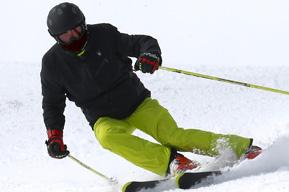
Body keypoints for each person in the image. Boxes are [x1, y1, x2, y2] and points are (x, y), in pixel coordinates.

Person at [42, 2, 261, 177]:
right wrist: (55, 137)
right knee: (107, 138)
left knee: (173, 136)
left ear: (84, 24)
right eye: (66, 34)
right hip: (103, 117)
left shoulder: (104, 35)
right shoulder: (52, 63)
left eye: (77, 29)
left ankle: (240, 147)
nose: (74, 36)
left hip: (136, 103)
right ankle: (174, 162)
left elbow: (142, 42)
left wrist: (150, 55)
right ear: (56, 37)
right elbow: (52, 104)